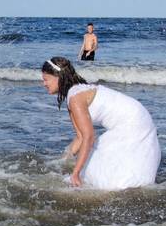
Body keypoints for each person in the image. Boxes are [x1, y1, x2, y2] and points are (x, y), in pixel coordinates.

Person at [41, 56, 159, 189]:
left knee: (105, 178)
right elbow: (80, 137)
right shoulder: (74, 94)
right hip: (135, 116)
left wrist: (76, 172)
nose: (43, 84)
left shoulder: (75, 97)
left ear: (59, 77)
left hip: (133, 122)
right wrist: (63, 159)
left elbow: (89, 137)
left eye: (46, 79)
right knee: (95, 167)